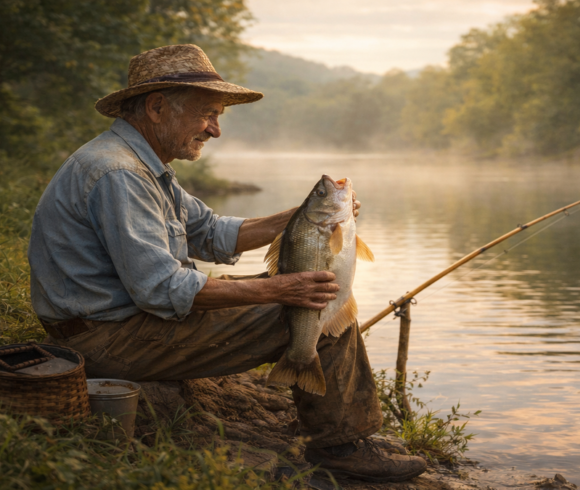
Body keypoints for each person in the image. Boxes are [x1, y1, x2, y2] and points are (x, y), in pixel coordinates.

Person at [27, 44, 426, 483]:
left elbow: (214, 233)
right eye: (207, 115)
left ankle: (328, 422)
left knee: (314, 292)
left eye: (218, 116)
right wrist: (281, 289)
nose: (215, 130)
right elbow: (162, 289)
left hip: (115, 325)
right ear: (157, 107)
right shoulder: (120, 173)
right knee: (320, 306)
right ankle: (340, 445)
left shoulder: (142, 165)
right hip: (108, 340)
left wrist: (311, 217)